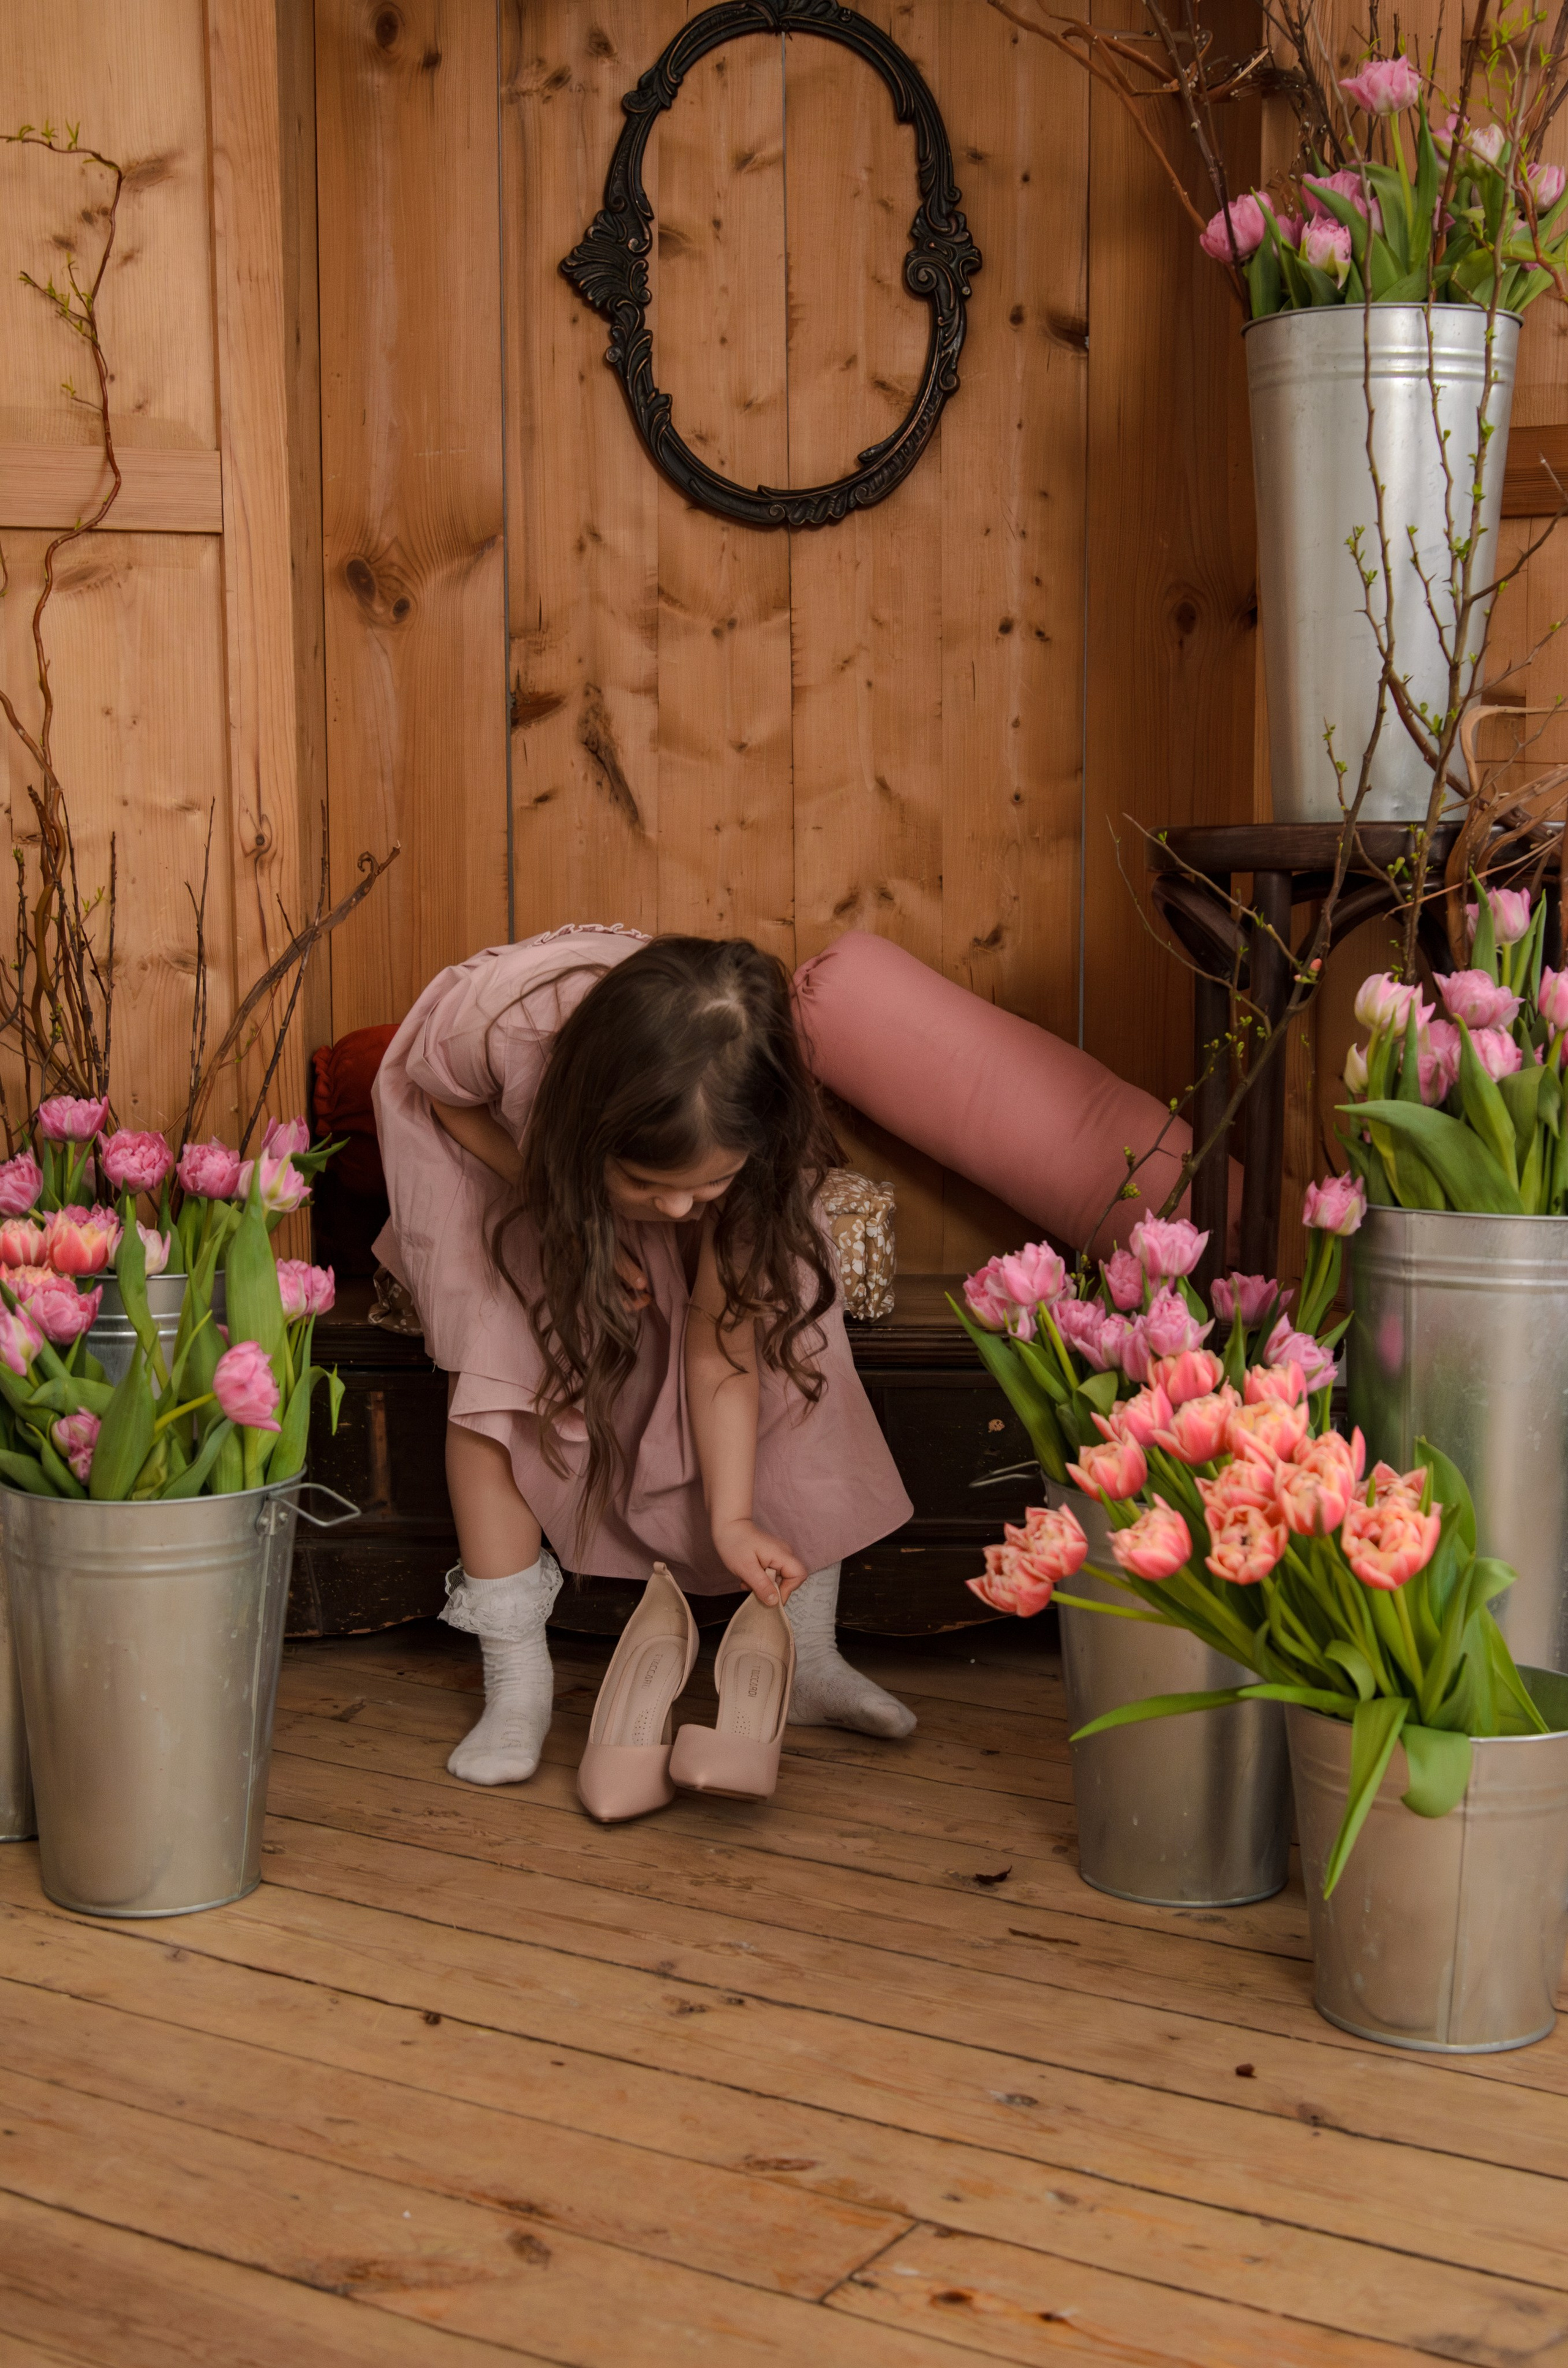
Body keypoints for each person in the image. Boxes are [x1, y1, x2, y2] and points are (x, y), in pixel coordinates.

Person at [372, 925, 916, 1788]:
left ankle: (808, 1655)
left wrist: (732, 1519)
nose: (675, 1212)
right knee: (503, 1370)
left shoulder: (750, 1153)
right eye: (649, 1187)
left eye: (706, 1187)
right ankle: (516, 1683)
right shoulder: (501, 1029)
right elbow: (446, 1101)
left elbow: (721, 1344)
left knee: (790, 1342)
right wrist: (564, 1209)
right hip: (513, 1160)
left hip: (628, 1166)